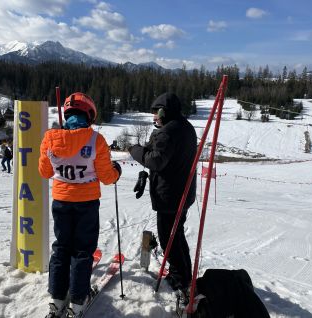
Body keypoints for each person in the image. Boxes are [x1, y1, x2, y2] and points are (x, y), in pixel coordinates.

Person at [39, 92, 121, 318]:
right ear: (89, 114)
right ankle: (77, 302)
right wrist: (117, 172)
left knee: (62, 248)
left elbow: (44, 172)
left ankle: (56, 299)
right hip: (86, 203)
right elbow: (107, 177)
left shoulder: (50, 138)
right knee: (82, 251)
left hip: (62, 201)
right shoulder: (96, 140)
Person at [128, 92, 197, 302]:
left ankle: (179, 277)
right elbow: (161, 151)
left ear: (163, 112)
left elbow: (156, 161)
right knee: (177, 235)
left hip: (170, 195)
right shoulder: (183, 126)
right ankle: (184, 273)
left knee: (169, 238)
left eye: (156, 113)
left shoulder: (168, 132)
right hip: (181, 192)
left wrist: (134, 150)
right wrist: (148, 145)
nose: (154, 117)